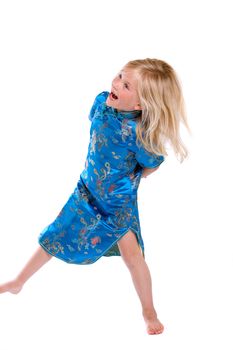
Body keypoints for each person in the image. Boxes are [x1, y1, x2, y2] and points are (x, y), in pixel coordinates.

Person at [0, 58, 189, 335]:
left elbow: (153, 161)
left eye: (126, 86)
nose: (116, 84)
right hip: (86, 190)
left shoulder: (137, 132)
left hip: (117, 206)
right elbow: (95, 126)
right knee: (53, 235)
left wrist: (138, 177)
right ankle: (18, 281)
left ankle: (149, 311)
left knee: (132, 256)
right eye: (119, 76)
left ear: (140, 105)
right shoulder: (101, 103)